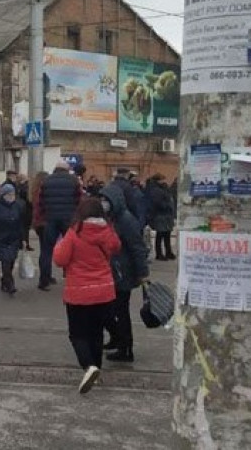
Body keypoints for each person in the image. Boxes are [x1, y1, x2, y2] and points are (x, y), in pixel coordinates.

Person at [53, 197, 121, 394]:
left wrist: (60, 246)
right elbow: (116, 247)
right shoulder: (108, 231)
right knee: (97, 333)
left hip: (79, 291)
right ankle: (96, 369)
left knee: (78, 334)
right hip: (104, 291)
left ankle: (88, 366)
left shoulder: (75, 233)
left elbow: (60, 259)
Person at [100, 183, 149, 363]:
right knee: (111, 310)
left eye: (106, 200)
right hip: (113, 271)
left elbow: (137, 247)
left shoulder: (125, 220)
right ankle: (117, 339)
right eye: (102, 199)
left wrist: (143, 273)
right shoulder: (110, 218)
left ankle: (125, 348)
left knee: (120, 311)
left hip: (123, 273)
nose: (103, 202)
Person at [39, 159, 82, 291]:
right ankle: (71, 277)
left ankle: (44, 280)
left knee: (46, 250)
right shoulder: (73, 180)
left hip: (50, 219)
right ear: (66, 169)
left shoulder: (46, 181)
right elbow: (79, 199)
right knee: (72, 249)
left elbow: (40, 201)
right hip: (68, 219)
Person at [146, 173, 176, 260]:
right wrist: (166, 206)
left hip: (167, 215)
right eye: (162, 179)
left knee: (167, 234)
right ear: (158, 180)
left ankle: (168, 252)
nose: (164, 181)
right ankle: (159, 254)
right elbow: (157, 203)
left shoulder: (163, 188)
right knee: (160, 235)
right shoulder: (155, 190)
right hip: (160, 215)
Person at [29, 170, 49, 280]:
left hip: (37, 223)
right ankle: (45, 277)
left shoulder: (33, 190)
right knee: (46, 251)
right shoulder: (43, 192)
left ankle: (45, 275)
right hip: (44, 222)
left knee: (44, 249)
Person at [16, 174, 34, 251]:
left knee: (22, 227)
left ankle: (21, 243)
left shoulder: (17, 187)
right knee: (25, 228)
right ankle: (25, 244)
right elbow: (29, 199)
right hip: (27, 210)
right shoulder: (26, 187)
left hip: (20, 209)